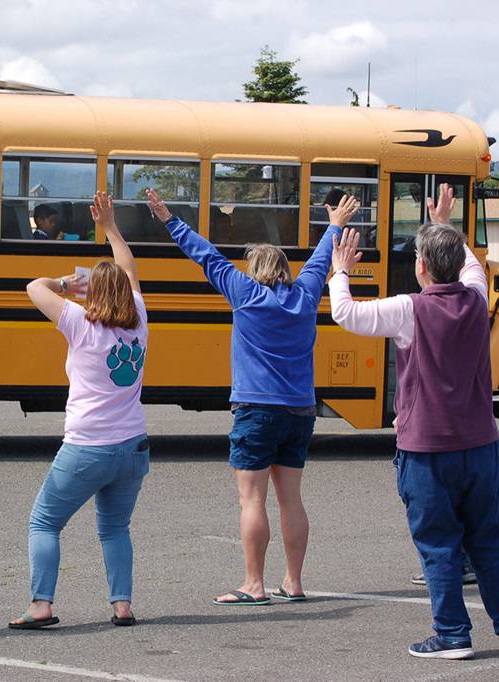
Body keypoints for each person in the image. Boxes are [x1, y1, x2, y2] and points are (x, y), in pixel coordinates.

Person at [330, 183, 499, 660]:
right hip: (481, 445)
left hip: (426, 450)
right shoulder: (478, 301)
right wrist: (444, 224)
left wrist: (340, 271)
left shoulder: (409, 309)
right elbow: (474, 266)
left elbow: (345, 313)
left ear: (420, 267)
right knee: (488, 539)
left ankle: (452, 634)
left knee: (438, 544)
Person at [147, 188, 359, 606]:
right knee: (291, 499)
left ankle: (254, 585)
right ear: (283, 268)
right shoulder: (305, 294)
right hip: (301, 410)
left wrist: (170, 219)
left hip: (256, 410)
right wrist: (335, 225)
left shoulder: (244, 294)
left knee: (252, 499)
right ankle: (294, 583)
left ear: (255, 269)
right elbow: (320, 260)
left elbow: (205, 254)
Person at [9, 191, 148, 630]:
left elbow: (33, 287)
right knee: (114, 528)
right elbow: (128, 268)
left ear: (93, 294)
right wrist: (109, 227)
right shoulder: (140, 315)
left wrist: (68, 284)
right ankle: (121, 605)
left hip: (88, 445)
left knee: (45, 520)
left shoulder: (79, 322)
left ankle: (41, 605)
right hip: (134, 446)